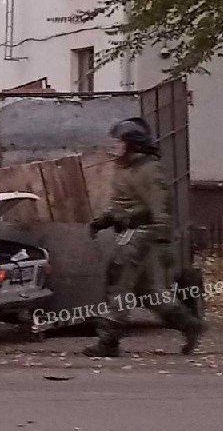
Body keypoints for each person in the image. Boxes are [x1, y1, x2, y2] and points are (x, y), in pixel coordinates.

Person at [83, 117, 206, 358]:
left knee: (118, 284)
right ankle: (191, 325)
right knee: (149, 293)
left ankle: (108, 341)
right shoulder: (126, 168)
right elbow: (125, 203)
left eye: (119, 144)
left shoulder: (149, 170)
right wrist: (105, 220)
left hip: (140, 235)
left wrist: (162, 241)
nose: (113, 149)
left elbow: (161, 208)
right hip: (134, 233)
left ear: (133, 145)